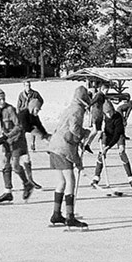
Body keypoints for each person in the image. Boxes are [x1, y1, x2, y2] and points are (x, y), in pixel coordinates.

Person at [47, 86, 91, 227]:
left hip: (54, 146)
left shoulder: (69, 107)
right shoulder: (77, 110)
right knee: (70, 180)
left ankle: (56, 214)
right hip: (62, 148)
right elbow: (74, 130)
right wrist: (84, 133)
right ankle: (70, 216)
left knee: (61, 182)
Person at [0, 87, 35, 204]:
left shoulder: (10, 109)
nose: (2, 101)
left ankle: (27, 184)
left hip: (17, 140)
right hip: (6, 141)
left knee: (15, 165)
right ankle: (8, 192)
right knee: (5, 163)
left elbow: (19, 127)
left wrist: (7, 136)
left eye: (3, 99)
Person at [91, 100, 132, 188]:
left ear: (113, 110)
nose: (109, 115)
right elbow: (97, 122)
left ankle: (130, 178)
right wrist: (99, 131)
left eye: (110, 112)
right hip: (107, 134)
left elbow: (116, 135)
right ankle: (96, 177)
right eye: (107, 113)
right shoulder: (103, 115)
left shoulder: (118, 117)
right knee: (102, 153)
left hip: (118, 135)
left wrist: (108, 147)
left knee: (122, 151)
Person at [16, 99, 51, 189]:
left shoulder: (34, 116)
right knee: (13, 163)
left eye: (39, 110)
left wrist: (45, 135)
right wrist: (40, 135)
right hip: (15, 138)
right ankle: (10, 186)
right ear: (32, 108)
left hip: (22, 139)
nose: (38, 112)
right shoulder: (23, 114)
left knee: (26, 158)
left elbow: (39, 125)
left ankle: (30, 180)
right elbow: (26, 127)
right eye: (37, 110)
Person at [16, 80, 44, 151]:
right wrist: (18, 113)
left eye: (29, 85)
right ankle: (21, 144)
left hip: (31, 114)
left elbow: (41, 100)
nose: (28, 87)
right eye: (26, 85)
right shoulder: (21, 95)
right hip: (23, 114)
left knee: (34, 128)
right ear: (24, 86)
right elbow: (18, 105)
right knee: (22, 129)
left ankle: (32, 143)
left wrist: (37, 106)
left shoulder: (35, 94)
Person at [84, 82, 109, 154]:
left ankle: (87, 144)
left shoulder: (103, 96)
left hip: (100, 114)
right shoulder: (99, 95)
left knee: (97, 131)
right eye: (106, 91)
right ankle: (85, 143)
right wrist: (88, 106)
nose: (107, 92)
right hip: (96, 114)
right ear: (102, 89)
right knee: (95, 130)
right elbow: (93, 101)